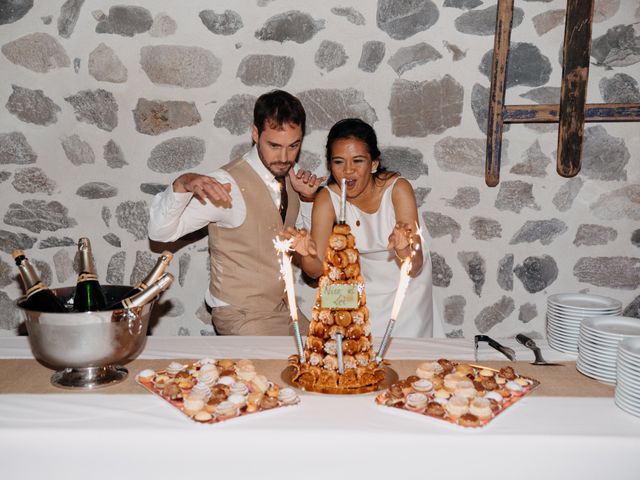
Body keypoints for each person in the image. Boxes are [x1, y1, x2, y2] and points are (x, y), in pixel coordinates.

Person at [148, 90, 324, 335]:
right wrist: (182, 183)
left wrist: (307, 198)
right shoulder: (226, 184)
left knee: (328, 358)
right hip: (241, 316)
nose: (284, 157)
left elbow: (308, 243)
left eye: (293, 146)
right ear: (255, 133)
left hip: (284, 308)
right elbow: (160, 233)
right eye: (274, 145)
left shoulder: (291, 174)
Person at [286, 118, 433, 337]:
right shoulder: (327, 199)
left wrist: (403, 248)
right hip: (361, 292)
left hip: (406, 291)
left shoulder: (398, 189)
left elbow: (415, 264)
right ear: (330, 165)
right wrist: (306, 254)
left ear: (373, 163)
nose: (348, 171)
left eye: (358, 161)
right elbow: (315, 270)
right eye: (338, 162)